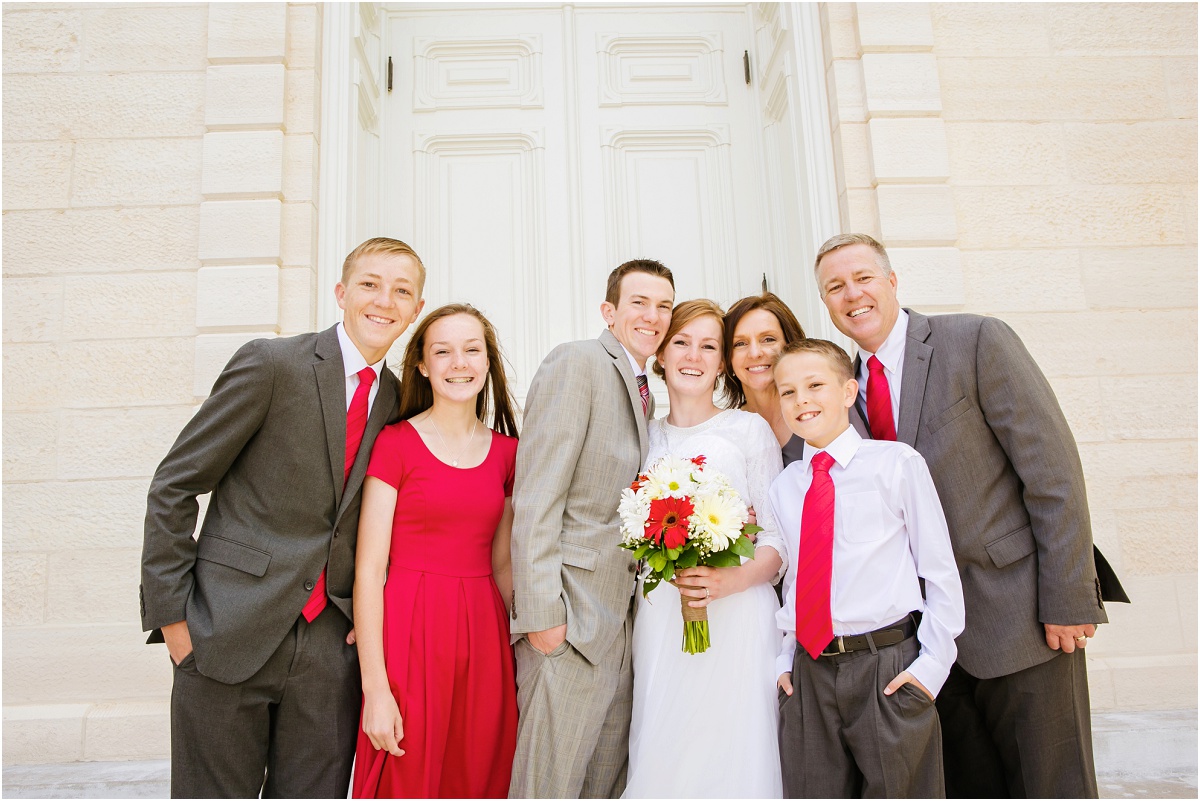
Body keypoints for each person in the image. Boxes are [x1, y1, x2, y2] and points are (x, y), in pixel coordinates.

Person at [813, 233, 1108, 797]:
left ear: (892, 281)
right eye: (835, 287)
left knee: (1054, 786)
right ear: (825, 303)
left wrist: (1069, 597)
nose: (852, 294)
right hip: (926, 643)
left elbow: (1053, 474)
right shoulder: (839, 394)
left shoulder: (974, 340)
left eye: (863, 278)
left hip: (1021, 617)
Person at [140, 237, 426, 797]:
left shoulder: (399, 402)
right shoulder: (271, 364)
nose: (384, 301)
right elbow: (175, 484)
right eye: (370, 284)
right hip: (227, 631)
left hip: (329, 653)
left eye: (402, 291)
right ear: (341, 293)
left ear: (415, 310)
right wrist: (175, 621)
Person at [509, 259, 675, 798]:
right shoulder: (576, 363)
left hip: (622, 631)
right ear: (609, 311)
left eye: (664, 306)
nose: (653, 316)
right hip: (569, 622)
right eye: (639, 303)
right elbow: (536, 497)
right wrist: (542, 619)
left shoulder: (646, 386)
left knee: (602, 787)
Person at [770, 338, 965, 798]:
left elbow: (939, 570)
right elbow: (798, 579)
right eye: (788, 391)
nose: (802, 400)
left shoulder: (895, 465)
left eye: (815, 385)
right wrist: (784, 660)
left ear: (848, 392)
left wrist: (931, 668)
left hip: (887, 668)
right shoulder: (786, 486)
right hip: (809, 675)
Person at [351, 303, 520, 798]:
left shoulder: (510, 453)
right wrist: (375, 689)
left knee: (481, 775)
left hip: (484, 640)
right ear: (423, 366)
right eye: (442, 352)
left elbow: (504, 563)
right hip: (409, 634)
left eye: (472, 350)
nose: (459, 363)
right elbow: (368, 570)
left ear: (488, 362)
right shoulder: (395, 443)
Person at [624, 299, 785, 799]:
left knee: (734, 751)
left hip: (738, 617)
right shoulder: (641, 435)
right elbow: (626, 532)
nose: (694, 355)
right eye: (681, 342)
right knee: (666, 748)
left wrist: (727, 580)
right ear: (661, 354)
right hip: (663, 616)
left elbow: (778, 540)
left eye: (709, 346)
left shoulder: (748, 431)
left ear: (721, 364)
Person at [723, 292, 807, 465]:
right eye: (740, 343)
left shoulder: (820, 413)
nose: (755, 353)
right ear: (727, 358)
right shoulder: (725, 432)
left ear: (790, 345)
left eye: (768, 339)